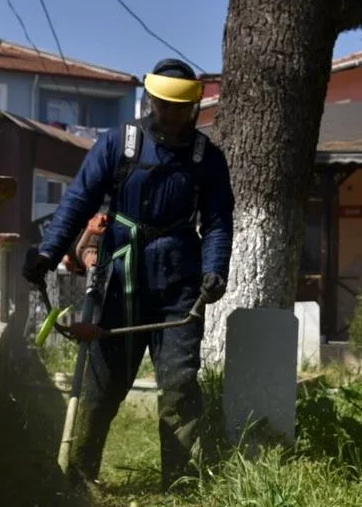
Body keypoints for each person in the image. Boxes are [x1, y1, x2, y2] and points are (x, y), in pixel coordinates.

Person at [22, 58, 234, 490]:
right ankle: (79, 476)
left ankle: (181, 483)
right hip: (119, 283)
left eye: (182, 109)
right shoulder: (119, 145)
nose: (173, 116)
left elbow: (217, 222)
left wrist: (214, 269)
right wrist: (47, 253)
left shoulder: (206, 158)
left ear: (194, 108)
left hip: (179, 285)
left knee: (178, 387)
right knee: (100, 385)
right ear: (150, 101)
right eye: (165, 106)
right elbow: (79, 201)